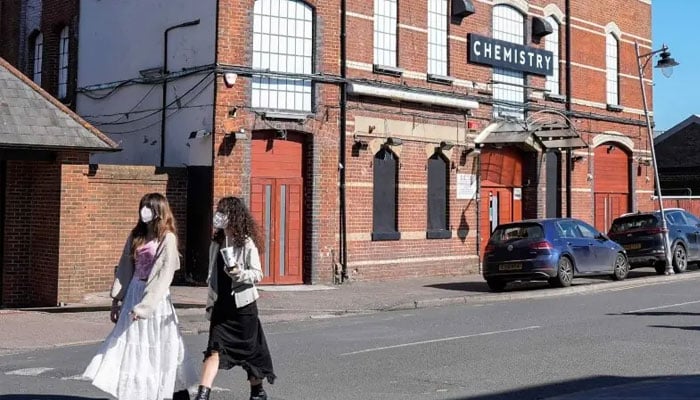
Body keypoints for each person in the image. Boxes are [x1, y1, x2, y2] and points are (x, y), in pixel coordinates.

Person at [83, 192, 198, 400]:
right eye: (142, 206)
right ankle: (135, 392)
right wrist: (116, 300)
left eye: (149, 207)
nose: (144, 211)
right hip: (134, 291)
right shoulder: (136, 235)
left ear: (158, 212)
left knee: (156, 344)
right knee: (128, 343)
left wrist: (145, 307)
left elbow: (164, 275)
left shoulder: (167, 239)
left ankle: (166, 391)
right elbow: (125, 268)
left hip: (154, 298)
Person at [195, 196, 276, 400]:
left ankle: (257, 390)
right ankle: (202, 395)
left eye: (223, 212)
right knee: (214, 349)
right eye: (218, 211)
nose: (219, 216)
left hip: (243, 307)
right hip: (221, 306)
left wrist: (239, 273)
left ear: (234, 216)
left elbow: (257, 274)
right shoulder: (217, 242)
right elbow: (212, 271)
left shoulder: (246, 242)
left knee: (250, 351)